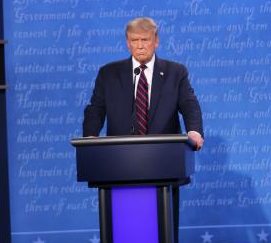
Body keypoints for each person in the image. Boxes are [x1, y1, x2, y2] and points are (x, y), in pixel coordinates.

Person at [83, 17, 204, 149]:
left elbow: (189, 105)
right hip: (120, 154)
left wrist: (194, 131)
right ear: (128, 44)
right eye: (134, 41)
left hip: (166, 152)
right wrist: (90, 135)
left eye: (145, 40)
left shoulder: (175, 73)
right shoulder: (108, 74)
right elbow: (96, 109)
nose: (140, 46)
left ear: (156, 41)